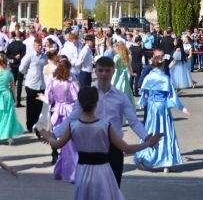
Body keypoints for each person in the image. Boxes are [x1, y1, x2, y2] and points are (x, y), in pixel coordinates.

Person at [40, 87, 161, 200]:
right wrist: (147, 143)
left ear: (79, 104)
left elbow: (56, 144)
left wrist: (49, 136)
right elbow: (126, 148)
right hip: (102, 171)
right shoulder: (104, 126)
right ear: (96, 102)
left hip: (82, 170)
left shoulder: (73, 126)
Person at [53, 57, 150, 187]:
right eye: (101, 70)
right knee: (92, 191)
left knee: (113, 189)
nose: (104, 74)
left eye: (107, 70)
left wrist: (147, 137)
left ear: (113, 72)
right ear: (95, 71)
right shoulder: (87, 94)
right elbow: (72, 118)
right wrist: (55, 133)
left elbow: (133, 122)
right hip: (91, 147)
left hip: (114, 148)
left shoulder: (121, 97)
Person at [134, 52, 190, 173]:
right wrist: (182, 108)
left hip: (152, 107)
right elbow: (173, 96)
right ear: (162, 64)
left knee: (150, 130)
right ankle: (167, 162)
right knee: (166, 131)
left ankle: (145, 157)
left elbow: (144, 92)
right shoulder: (165, 78)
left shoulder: (149, 77)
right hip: (163, 107)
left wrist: (144, 101)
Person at [45, 59, 79, 182]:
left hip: (57, 114)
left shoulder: (53, 83)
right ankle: (72, 173)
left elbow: (48, 99)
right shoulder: (71, 84)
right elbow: (77, 98)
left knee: (64, 146)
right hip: (69, 112)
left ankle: (60, 171)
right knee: (71, 145)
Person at [0, 55, 25, 145]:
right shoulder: (9, 73)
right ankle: (8, 136)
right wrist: (15, 97)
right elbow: (13, 87)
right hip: (6, 96)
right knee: (7, 116)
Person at [19, 38, 48, 132]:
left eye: (41, 45)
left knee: (39, 106)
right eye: (38, 45)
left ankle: (36, 125)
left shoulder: (44, 57)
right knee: (31, 106)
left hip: (41, 85)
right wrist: (28, 74)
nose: (40, 47)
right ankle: (29, 126)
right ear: (34, 46)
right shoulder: (29, 56)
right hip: (31, 85)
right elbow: (22, 68)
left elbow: (47, 68)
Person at [5, 31, 26, 107]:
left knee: (12, 84)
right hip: (20, 66)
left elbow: (7, 55)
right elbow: (23, 55)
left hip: (13, 65)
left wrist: (13, 58)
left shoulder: (10, 45)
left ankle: (12, 100)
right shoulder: (23, 45)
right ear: (21, 37)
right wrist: (17, 58)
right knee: (20, 84)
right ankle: (18, 101)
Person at [112, 41, 134, 106]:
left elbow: (113, 66)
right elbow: (129, 66)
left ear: (118, 48)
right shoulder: (127, 56)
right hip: (124, 75)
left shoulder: (116, 57)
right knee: (124, 89)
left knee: (116, 88)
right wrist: (132, 73)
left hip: (117, 74)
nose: (114, 48)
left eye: (115, 47)